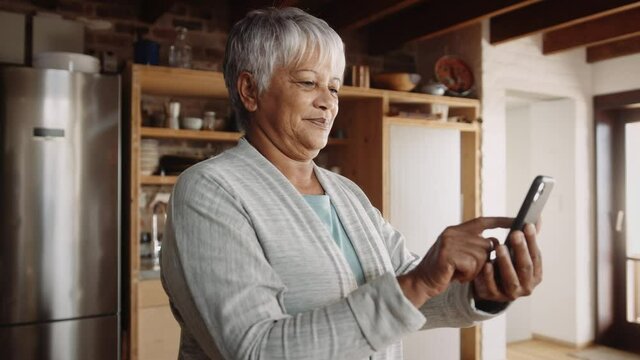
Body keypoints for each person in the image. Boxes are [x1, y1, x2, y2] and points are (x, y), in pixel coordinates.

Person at [161, 7, 542, 360]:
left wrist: (483, 292)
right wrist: (417, 283)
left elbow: (410, 294)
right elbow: (254, 348)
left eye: (335, 87)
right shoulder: (210, 190)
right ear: (250, 90)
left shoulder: (345, 193)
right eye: (308, 82)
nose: (328, 102)